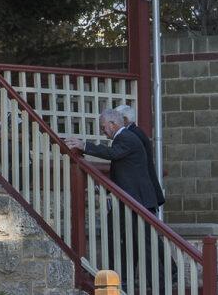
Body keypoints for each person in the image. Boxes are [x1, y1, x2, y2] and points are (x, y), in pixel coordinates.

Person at [68, 109, 159, 290]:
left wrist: (85, 146)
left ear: (113, 124)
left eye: (103, 127)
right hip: (129, 199)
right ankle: (122, 278)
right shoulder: (124, 137)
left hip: (136, 200)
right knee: (124, 238)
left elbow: (113, 154)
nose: (103, 131)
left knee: (145, 243)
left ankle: (160, 279)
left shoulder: (125, 137)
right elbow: (123, 168)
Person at [115, 104, 166, 212]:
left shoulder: (132, 134)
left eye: (116, 119)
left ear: (124, 119)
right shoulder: (136, 132)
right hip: (142, 193)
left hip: (140, 192)